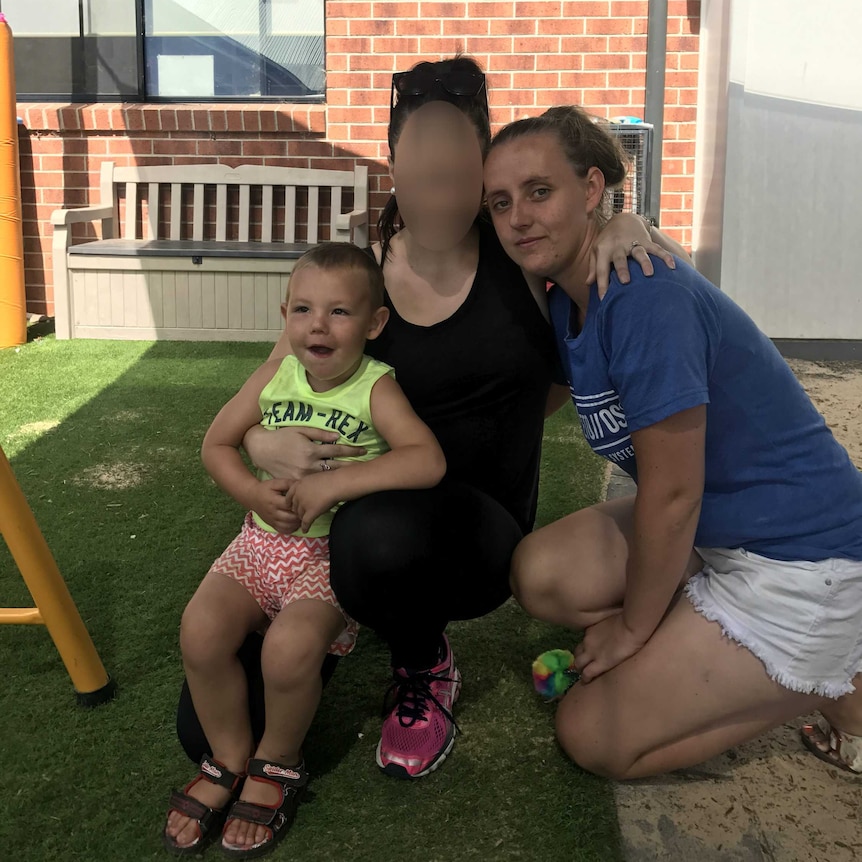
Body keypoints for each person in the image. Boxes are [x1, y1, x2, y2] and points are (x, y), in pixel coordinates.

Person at [177, 56, 691, 782]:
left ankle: (425, 661)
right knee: (204, 724)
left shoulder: (519, 256)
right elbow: (276, 377)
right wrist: (261, 438)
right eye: (420, 168)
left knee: (376, 533)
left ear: (481, 167)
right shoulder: (358, 277)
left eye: (457, 169)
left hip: (476, 530)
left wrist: (625, 221)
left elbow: (581, 249)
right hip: (339, 525)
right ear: (392, 163)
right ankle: (339, 617)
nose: (438, 188)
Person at [483, 105, 862, 780]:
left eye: (540, 192)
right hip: (721, 537)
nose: (518, 218)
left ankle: (833, 678)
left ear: (592, 189)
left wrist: (633, 628)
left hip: (806, 563)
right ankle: (718, 640)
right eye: (501, 202)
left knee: (592, 733)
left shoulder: (641, 296)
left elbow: (674, 494)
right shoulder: (565, 295)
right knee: (541, 573)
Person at [163, 242, 446, 857]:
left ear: (374, 325)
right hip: (258, 545)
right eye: (303, 309)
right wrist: (252, 494)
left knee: (289, 653)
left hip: (323, 562)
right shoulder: (272, 376)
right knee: (199, 631)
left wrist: (336, 484)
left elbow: (427, 459)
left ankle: (275, 760)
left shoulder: (376, 388)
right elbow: (216, 445)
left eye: (340, 313)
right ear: (284, 312)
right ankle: (230, 753)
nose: (318, 325)